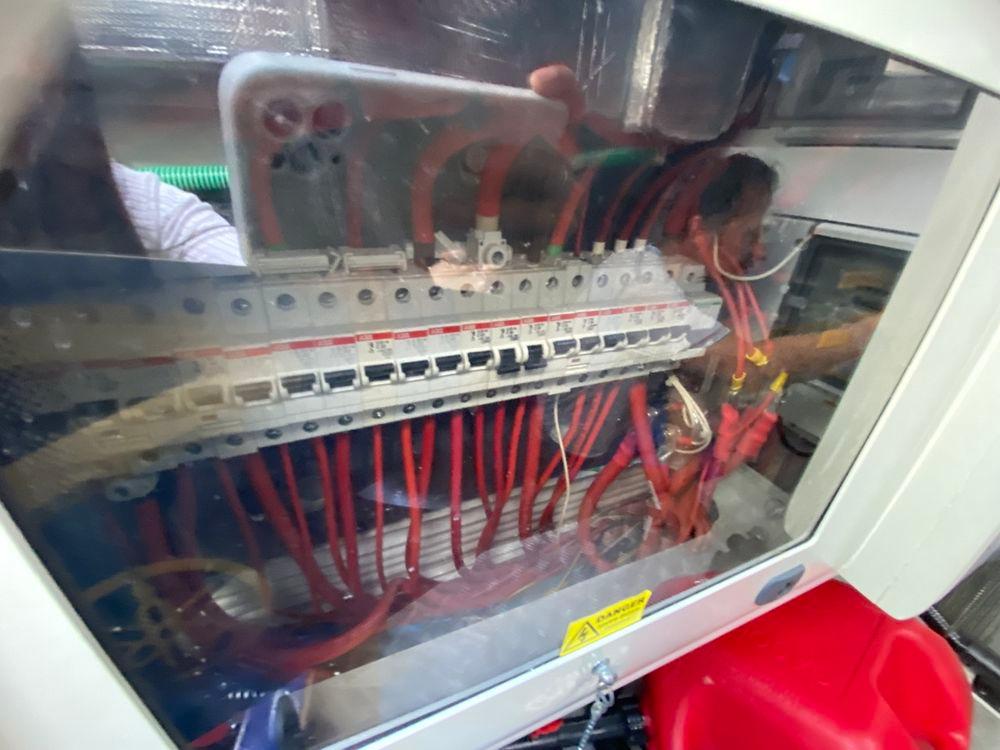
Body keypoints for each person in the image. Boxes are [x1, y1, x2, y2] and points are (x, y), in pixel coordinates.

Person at [0, 42, 243, 265]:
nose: (34, 107)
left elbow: (191, 231)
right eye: (11, 88)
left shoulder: (81, 183)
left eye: (50, 89)